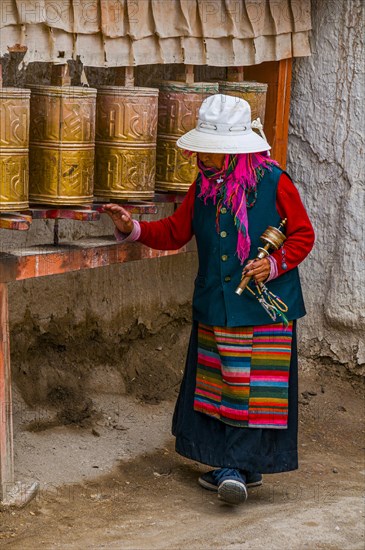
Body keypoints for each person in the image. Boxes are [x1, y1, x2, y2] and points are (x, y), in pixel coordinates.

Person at [103, 94, 315, 506]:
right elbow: (176, 232)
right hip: (218, 304)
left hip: (265, 308)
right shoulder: (203, 185)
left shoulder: (274, 181)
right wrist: (133, 229)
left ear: (233, 150)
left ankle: (235, 467)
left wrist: (272, 265)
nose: (202, 154)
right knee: (224, 382)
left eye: (211, 149)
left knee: (250, 385)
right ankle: (240, 464)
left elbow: (303, 235)